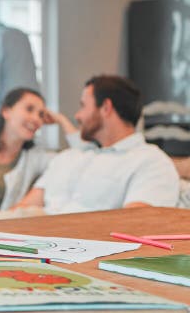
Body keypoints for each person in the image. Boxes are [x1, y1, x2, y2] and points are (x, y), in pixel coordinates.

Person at [13, 75, 180, 214]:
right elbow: (20, 211)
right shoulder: (69, 157)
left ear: (106, 108)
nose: (77, 115)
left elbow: (134, 225)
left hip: (78, 249)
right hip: (28, 245)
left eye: (83, 106)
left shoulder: (150, 162)